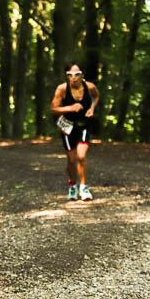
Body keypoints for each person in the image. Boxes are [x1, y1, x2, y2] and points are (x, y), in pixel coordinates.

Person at [50, 62, 100, 201]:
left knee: (81, 156)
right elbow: (53, 109)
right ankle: (72, 185)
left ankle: (83, 187)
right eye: (70, 75)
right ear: (67, 76)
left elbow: (96, 96)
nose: (74, 78)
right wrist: (69, 108)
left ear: (82, 75)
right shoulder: (62, 89)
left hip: (84, 124)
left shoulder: (89, 87)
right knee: (71, 160)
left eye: (77, 74)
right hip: (67, 125)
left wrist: (92, 108)